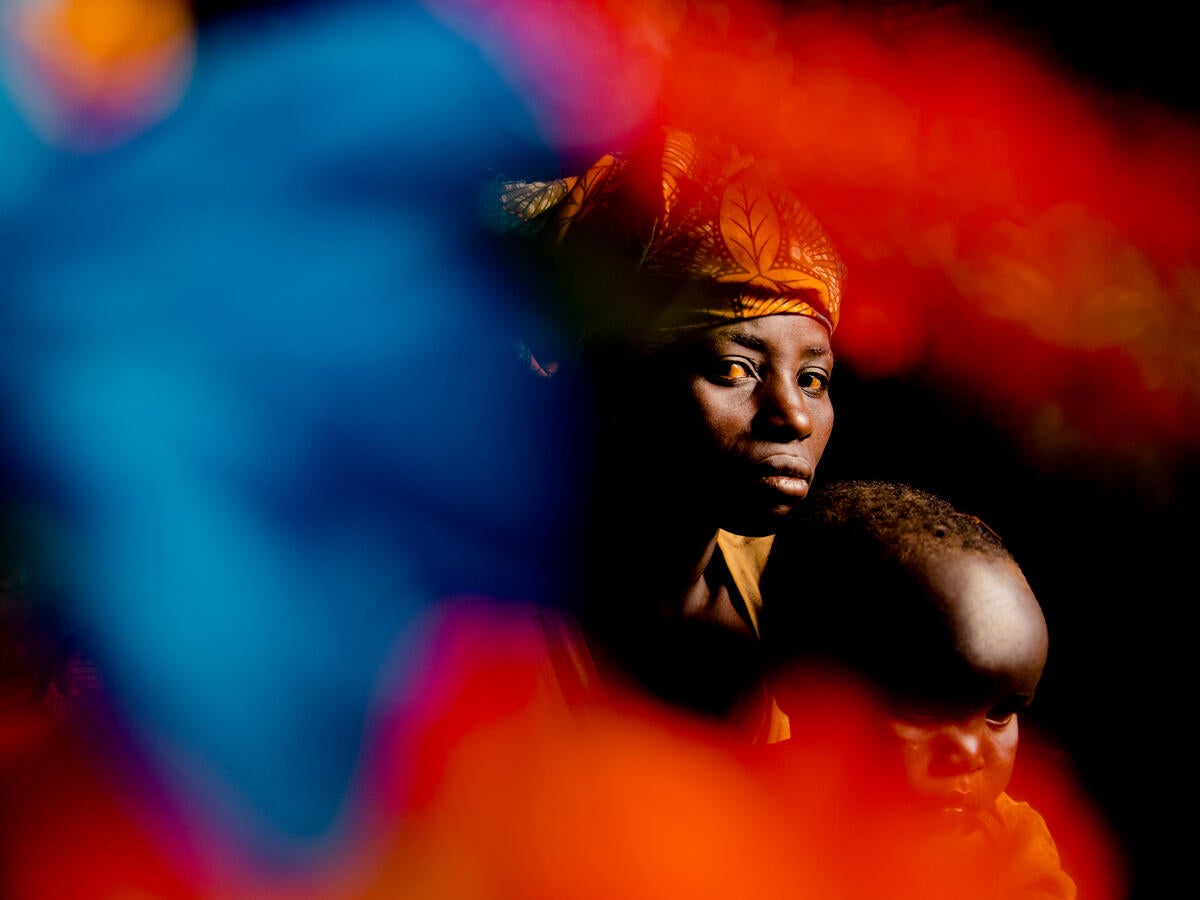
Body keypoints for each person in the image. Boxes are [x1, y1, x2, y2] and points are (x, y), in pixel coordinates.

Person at [489, 125, 846, 740]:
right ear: (611, 378)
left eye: (813, 378)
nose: (796, 416)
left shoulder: (800, 607)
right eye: (736, 369)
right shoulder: (487, 626)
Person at [756, 479, 1077, 899]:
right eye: (924, 707)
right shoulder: (735, 810)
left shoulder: (1013, 849)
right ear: (800, 683)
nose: (968, 752)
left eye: (1000, 712)